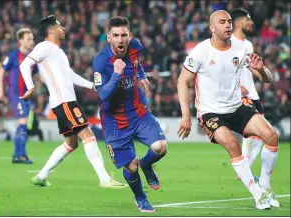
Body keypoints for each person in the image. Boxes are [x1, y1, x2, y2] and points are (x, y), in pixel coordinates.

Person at [177, 10, 279, 210]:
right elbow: (183, 80)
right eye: (222, 22)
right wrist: (185, 114)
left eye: (230, 21)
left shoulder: (242, 48)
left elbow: (266, 79)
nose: (228, 25)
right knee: (233, 144)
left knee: (272, 136)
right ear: (212, 28)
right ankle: (258, 195)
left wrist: (261, 69)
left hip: (237, 107)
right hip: (211, 112)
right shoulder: (201, 51)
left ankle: (265, 186)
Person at [19, 15, 126, 189]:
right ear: (51, 30)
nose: (63, 29)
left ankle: (41, 176)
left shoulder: (57, 51)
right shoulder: (44, 46)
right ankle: (105, 179)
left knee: (71, 143)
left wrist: (92, 86)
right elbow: (24, 65)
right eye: (59, 26)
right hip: (64, 101)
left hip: (63, 101)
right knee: (88, 135)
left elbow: (70, 75)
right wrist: (30, 87)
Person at [93, 16, 167, 212]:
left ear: (129, 36)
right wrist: (117, 73)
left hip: (138, 110)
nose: (120, 40)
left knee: (160, 147)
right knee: (130, 166)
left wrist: (141, 76)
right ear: (108, 38)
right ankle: (141, 197)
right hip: (114, 121)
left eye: (124, 35)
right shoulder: (101, 62)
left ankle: (147, 164)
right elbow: (102, 94)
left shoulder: (135, 46)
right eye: (115, 35)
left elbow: (136, 62)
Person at [0, 28, 37, 164]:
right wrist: (0, 91)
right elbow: (1, 71)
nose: (32, 41)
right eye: (28, 39)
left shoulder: (32, 58)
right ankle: (21, 155)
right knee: (23, 123)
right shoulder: (14, 56)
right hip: (15, 94)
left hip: (27, 96)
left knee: (24, 126)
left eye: (32, 39)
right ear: (20, 41)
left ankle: (17, 155)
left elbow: (37, 74)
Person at [231, 8, 265, 169]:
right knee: (255, 133)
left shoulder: (248, 45)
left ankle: (246, 167)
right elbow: (224, 69)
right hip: (240, 94)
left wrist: (262, 73)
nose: (251, 23)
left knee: (258, 135)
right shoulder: (228, 42)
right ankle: (245, 167)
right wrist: (238, 86)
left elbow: (249, 67)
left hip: (253, 93)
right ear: (238, 22)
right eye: (248, 20)